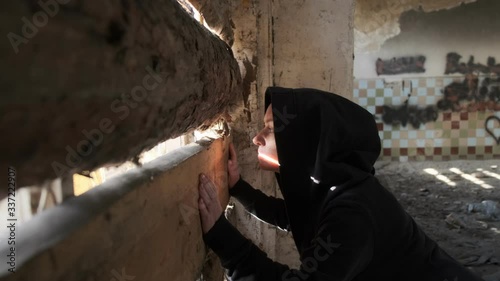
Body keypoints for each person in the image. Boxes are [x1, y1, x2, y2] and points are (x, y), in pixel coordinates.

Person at [197, 87, 484, 281]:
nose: (257, 138)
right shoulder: (336, 184)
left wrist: (223, 239)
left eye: (271, 129)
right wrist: (238, 188)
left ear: (306, 141)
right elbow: (296, 217)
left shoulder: (352, 212)